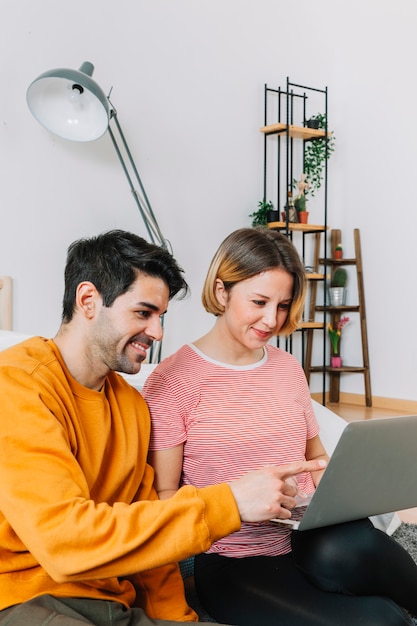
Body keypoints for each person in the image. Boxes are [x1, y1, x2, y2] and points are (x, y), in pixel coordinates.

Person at [0, 229, 326, 626]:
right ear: (88, 301)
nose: (157, 334)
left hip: (115, 602)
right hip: (30, 599)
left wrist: (179, 619)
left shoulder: (131, 405)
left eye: (160, 317)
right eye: (143, 313)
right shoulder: (17, 385)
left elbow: (151, 527)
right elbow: (64, 542)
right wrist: (230, 503)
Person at [143, 227, 417, 626]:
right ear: (221, 291)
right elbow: (163, 497)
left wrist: (340, 493)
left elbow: (316, 456)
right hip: (234, 562)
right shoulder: (173, 381)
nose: (272, 320)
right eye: (259, 302)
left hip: (310, 539)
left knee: (355, 545)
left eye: (283, 305)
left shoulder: (287, 368)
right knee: (383, 619)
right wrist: (237, 502)